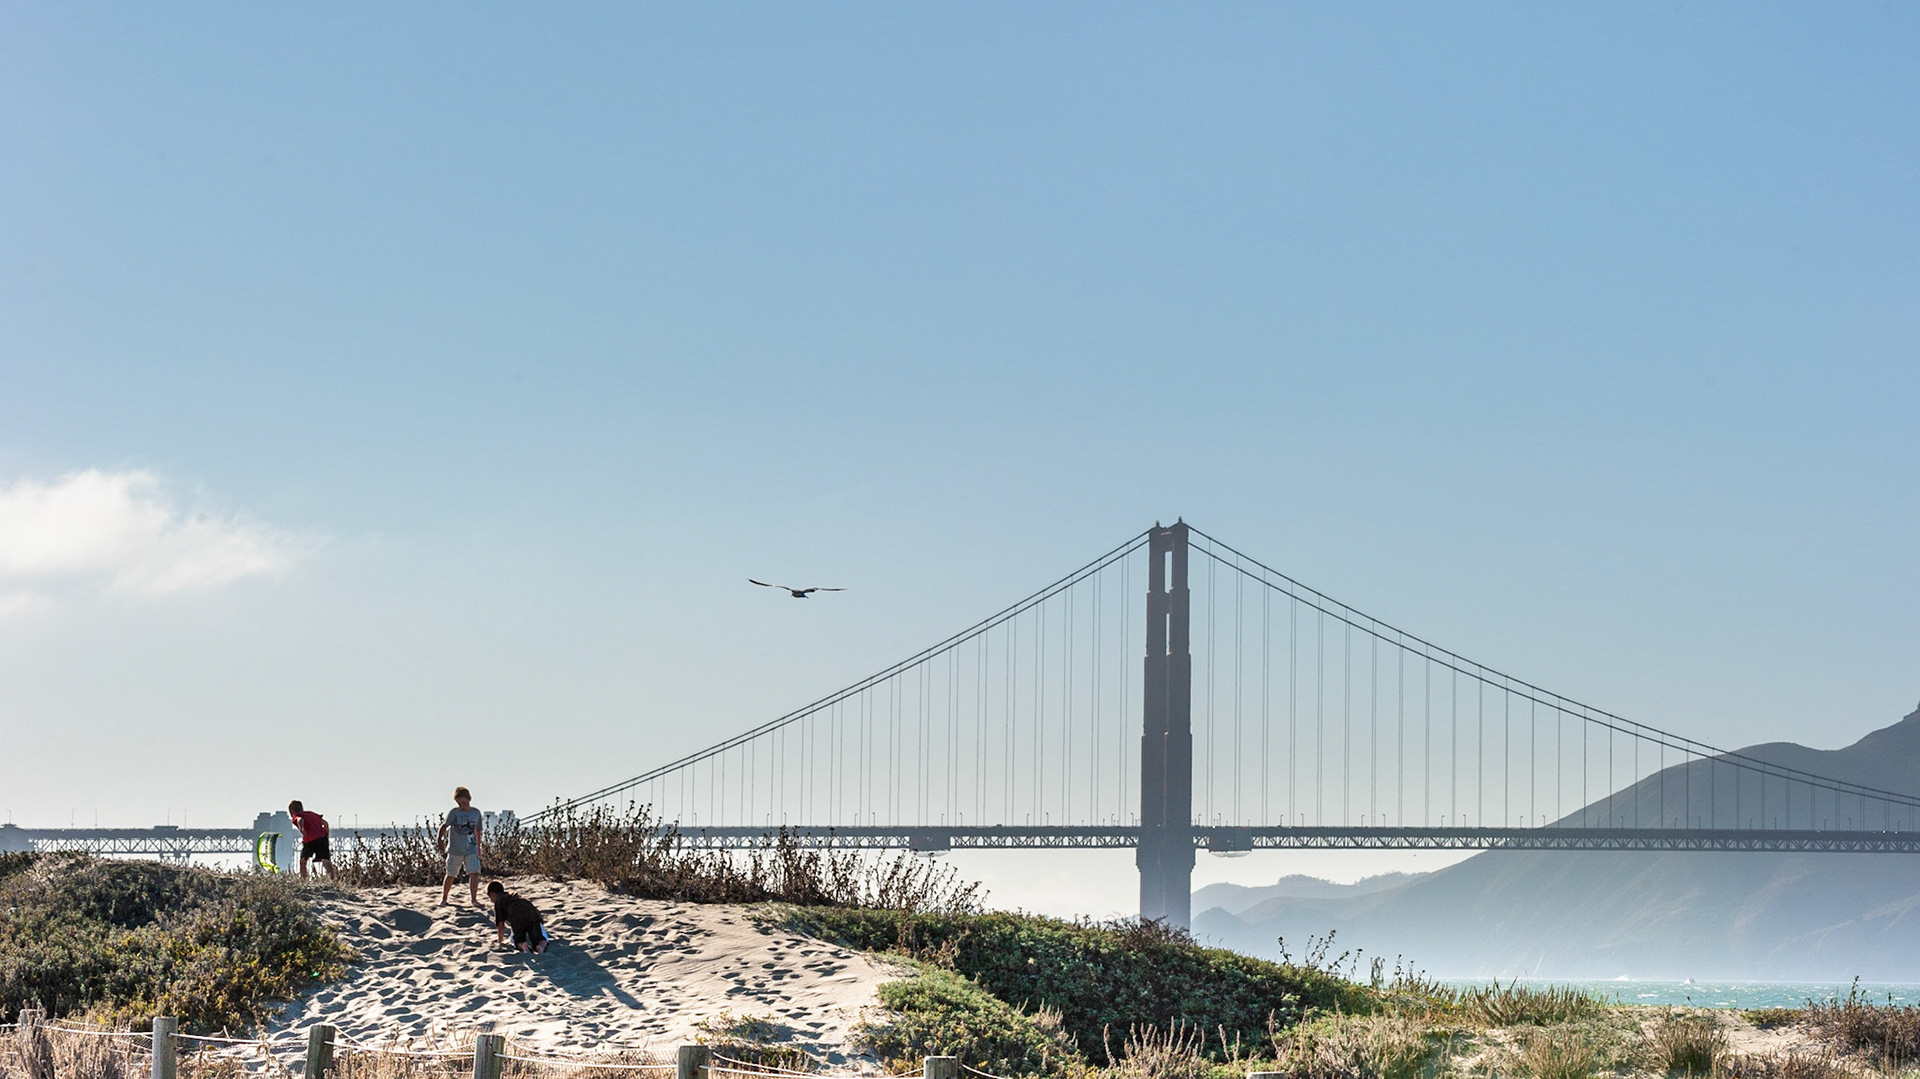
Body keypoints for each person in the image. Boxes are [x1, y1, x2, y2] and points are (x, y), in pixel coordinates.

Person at [437, 787, 484, 906]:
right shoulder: (454, 812)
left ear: (469, 799)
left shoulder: (476, 812)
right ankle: (444, 898)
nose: (461, 805)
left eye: (463, 802)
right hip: (455, 849)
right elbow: (444, 826)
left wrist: (479, 847)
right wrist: (439, 839)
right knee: (451, 874)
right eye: (459, 803)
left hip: (471, 849)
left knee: (474, 873)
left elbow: (478, 830)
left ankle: (474, 899)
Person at [487, 880, 547, 953]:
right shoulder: (512, 896)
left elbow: (500, 925)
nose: (491, 900)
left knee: (518, 939)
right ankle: (540, 946)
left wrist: (499, 941)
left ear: (493, 894)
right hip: (531, 912)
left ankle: (523, 945)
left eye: (490, 897)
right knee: (539, 937)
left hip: (516, 916)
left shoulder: (499, 902)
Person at [286, 800, 333, 879]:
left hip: (310, 839)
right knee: (325, 860)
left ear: (291, 812)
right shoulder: (312, 814)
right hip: (322, 838)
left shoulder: (296, 816)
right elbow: (325, 824)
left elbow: (300, 820)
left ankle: (304, 880)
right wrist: (326, 835)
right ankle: (333, 880)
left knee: (303, 861)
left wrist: (302, 830)